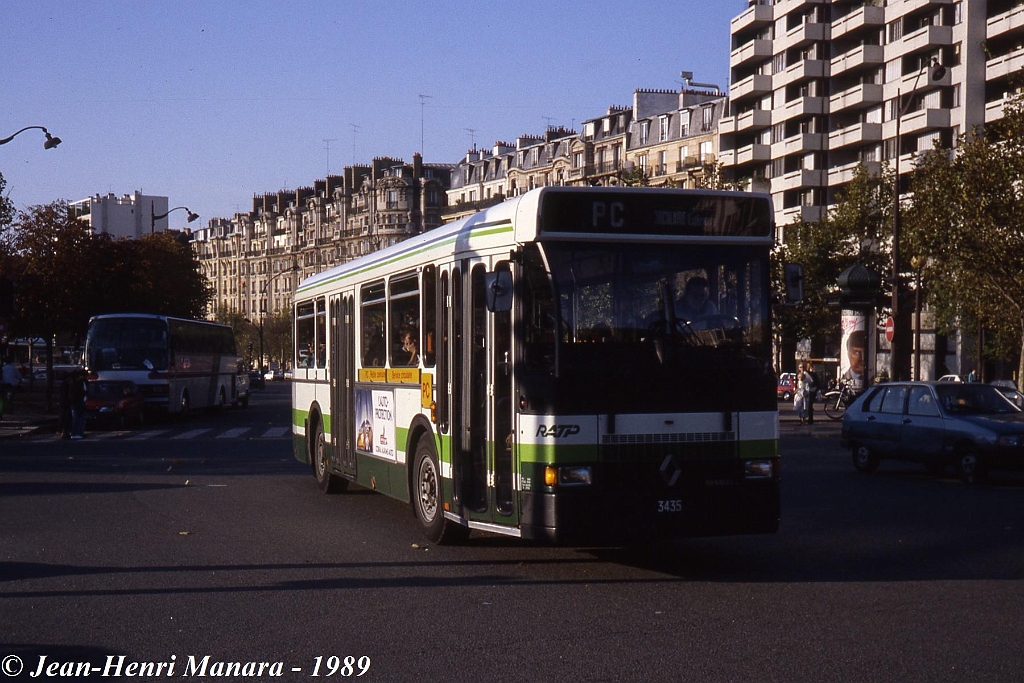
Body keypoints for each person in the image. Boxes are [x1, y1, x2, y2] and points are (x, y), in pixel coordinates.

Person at [68, 369, 88, 439]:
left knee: (80, 419)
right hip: (77, 402)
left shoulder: (82, 382)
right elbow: (75, 394)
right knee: (77, 418)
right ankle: (75, 433)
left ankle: (79, 432)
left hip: (80, 402)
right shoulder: (77, 383)